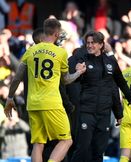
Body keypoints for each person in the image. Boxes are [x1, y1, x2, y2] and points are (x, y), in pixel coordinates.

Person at [4, 18, 86, 162]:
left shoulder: (30, 51)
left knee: (38, 143)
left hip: (33, 104)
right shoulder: (60, 53)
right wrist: (79, 72)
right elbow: (66, 80)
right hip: (51, 103)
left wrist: (10, 98)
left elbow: (17, 77)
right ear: (56, 33)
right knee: (67, 141)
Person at [70, 31, 131, 162]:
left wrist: (130, 99)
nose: (89, 46)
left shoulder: (110, 61)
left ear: (101, 45)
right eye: (87, 43)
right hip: (87, 111)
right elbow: (71, 68)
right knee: (83, 148)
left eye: (92, 43)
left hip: (104, 113)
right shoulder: (82, 59)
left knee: (99, 150)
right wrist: (76, 71)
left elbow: (120, 82)